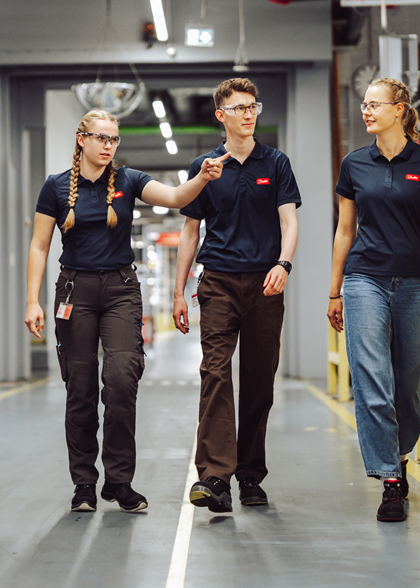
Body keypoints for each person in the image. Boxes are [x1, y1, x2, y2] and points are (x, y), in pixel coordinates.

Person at [25, 109, 229, 513]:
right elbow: (39, 246)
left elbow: (173, 197)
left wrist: (202, 178)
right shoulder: (55, 187)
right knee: (79, 389)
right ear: (81, 138)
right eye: (101, 138)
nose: (108, 146)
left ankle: (119, 481)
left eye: (113, 139)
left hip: (120, 290)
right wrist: (32, 300)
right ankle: (84, 482)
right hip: (74, 291)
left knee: (121, 381)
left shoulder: (130, 180)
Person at [327, 77, 420, 522]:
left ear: (399, 110)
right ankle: (390, 478)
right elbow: (345, 230)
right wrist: (334, 289)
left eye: (374, 104)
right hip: (365, 278)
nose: (365, 111)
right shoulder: (354, 164)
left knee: (407, 382)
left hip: (415, 280)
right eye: (363, 104)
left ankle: (400, 454)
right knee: (371, 376)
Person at [172, 78, 301, 513]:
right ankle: (214, 476)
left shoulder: (276, 162)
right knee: (215, 372)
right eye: (239, 107)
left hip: (265, 282)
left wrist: (283, 263)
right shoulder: (205, 166)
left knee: (260, 380)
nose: (249, 114)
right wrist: (179, 291)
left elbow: (289, 222)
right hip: (219, 282)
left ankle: (250, 474)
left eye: (254, 106)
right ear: (221, 116)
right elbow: (190, 233)